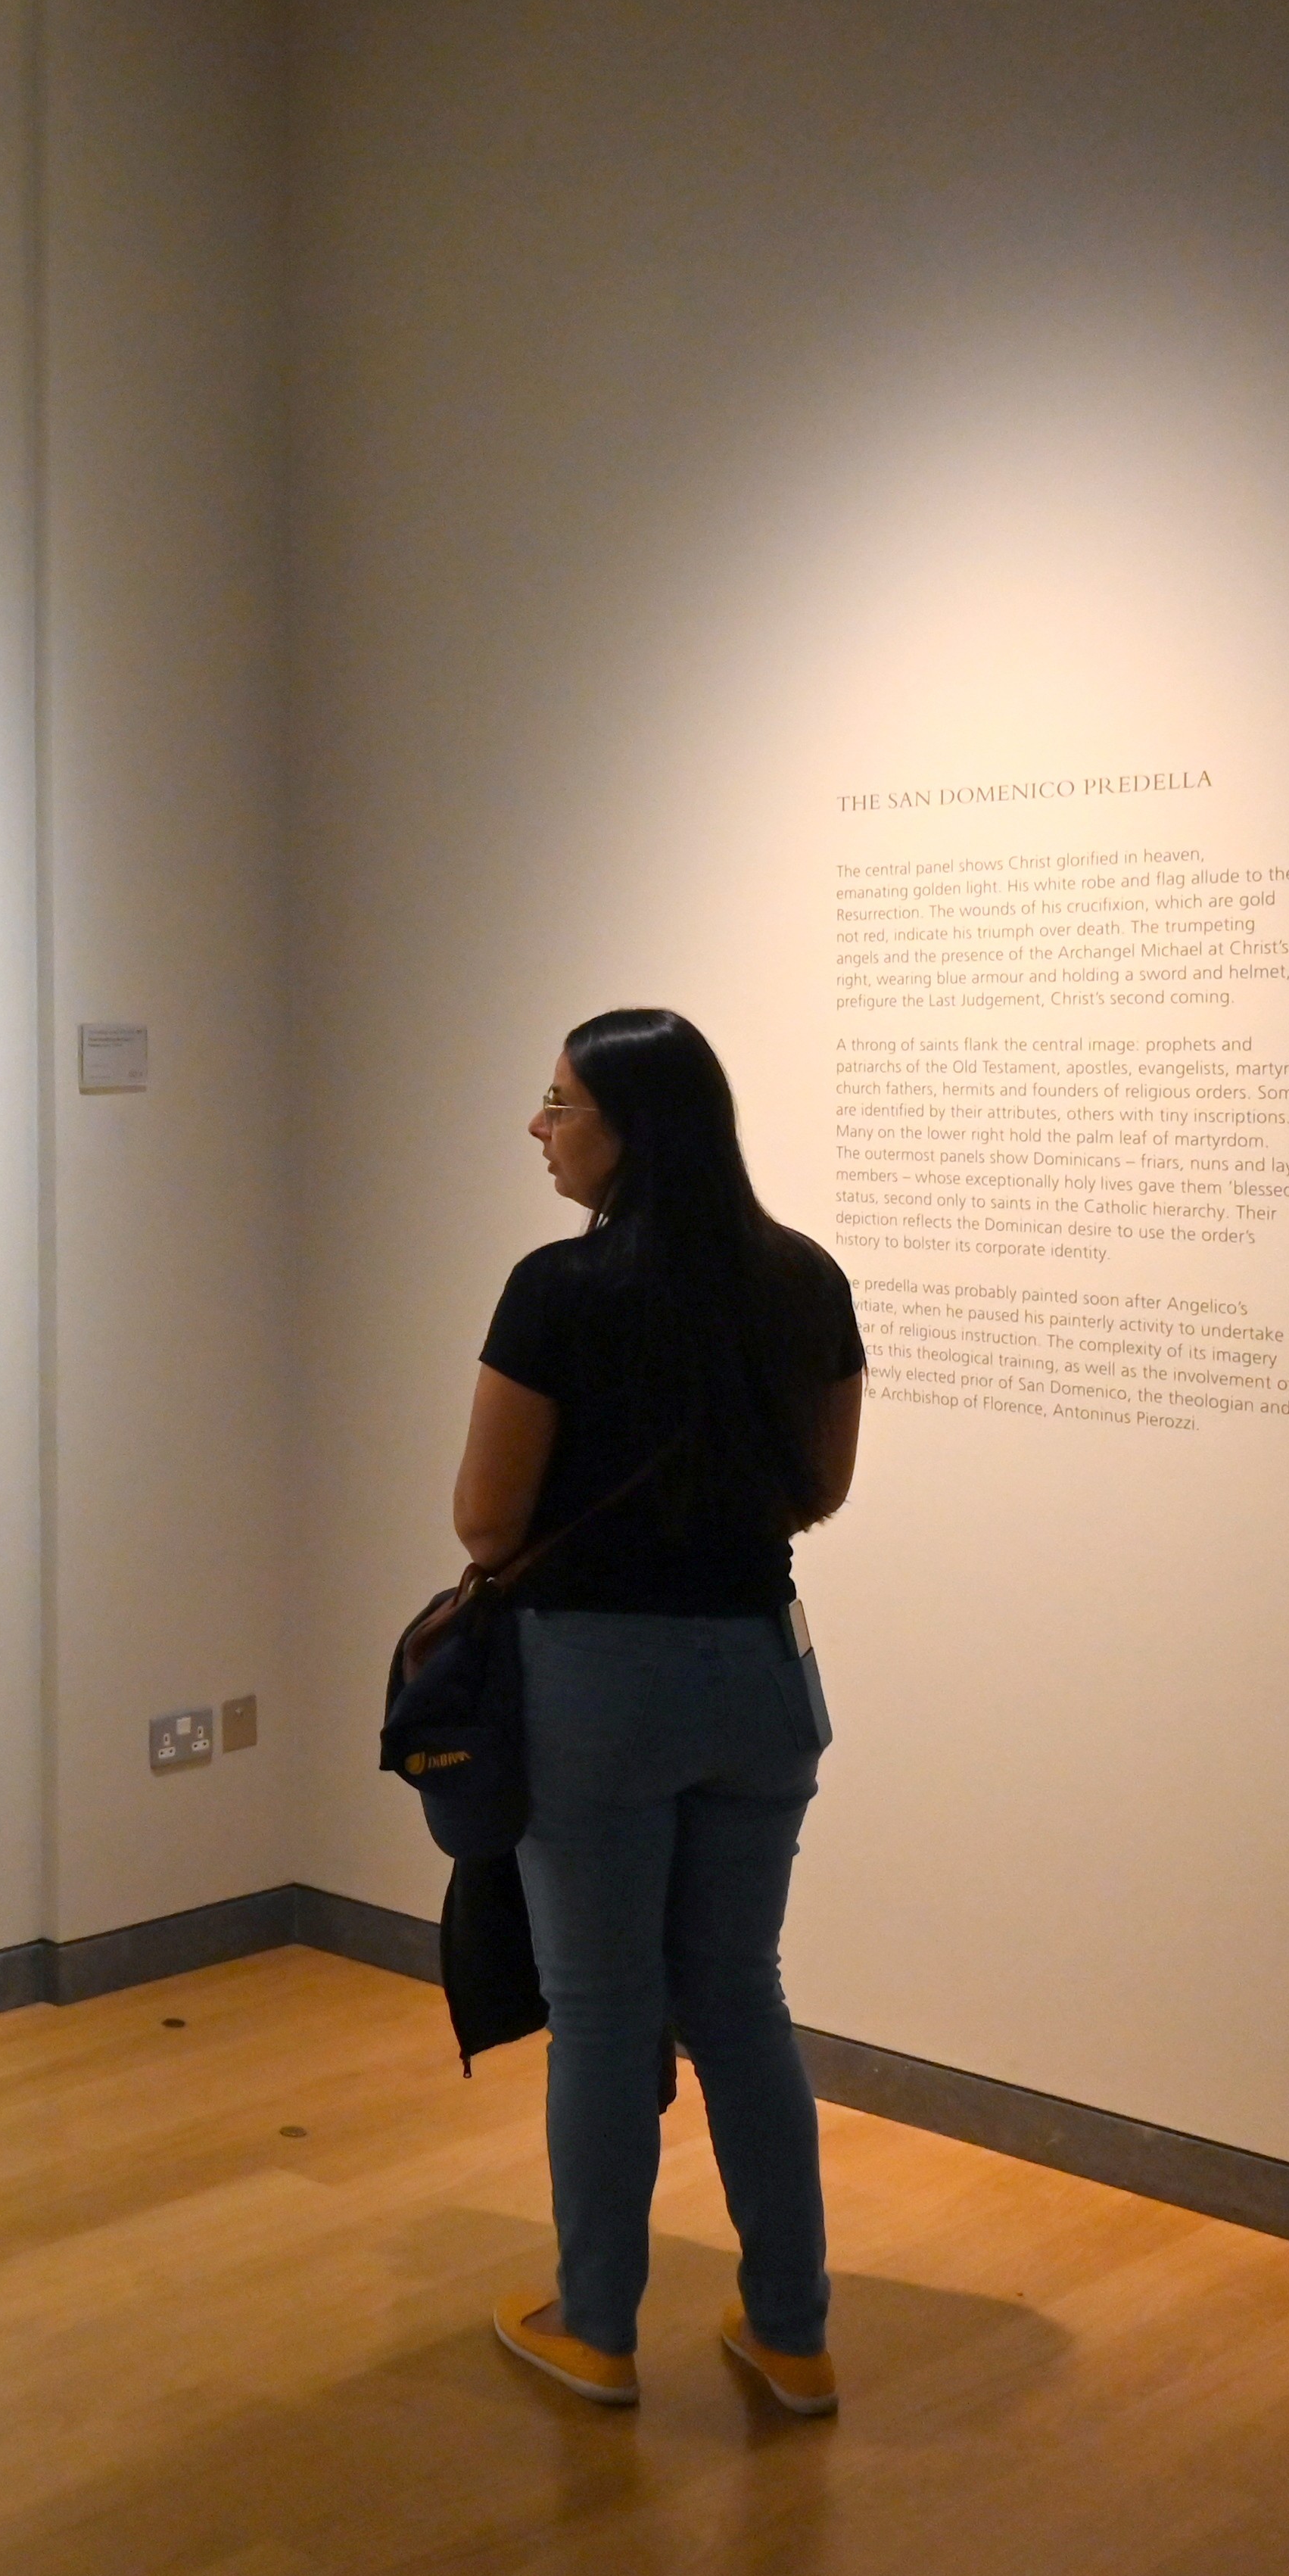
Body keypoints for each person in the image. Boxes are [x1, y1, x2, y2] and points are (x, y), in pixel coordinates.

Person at [455, 1007, 862, 2422]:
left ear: (633, 1128)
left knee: (603, 2010)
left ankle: (598, 2326)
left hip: (597, 1689)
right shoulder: (805, 1278)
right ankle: (794, 2336)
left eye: (561, 1103)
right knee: (741, 1999)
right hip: (760, 1676)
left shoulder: (556, 1290)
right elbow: (823, 1489)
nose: (540, 1126)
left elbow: (486, 1521)